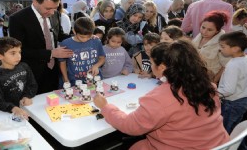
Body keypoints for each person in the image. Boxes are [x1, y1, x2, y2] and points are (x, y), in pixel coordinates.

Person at [94, 40, 229, 149]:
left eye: (152, 63)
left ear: (163, 68)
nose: (151, 66)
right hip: (219, 144)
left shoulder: (162, 98)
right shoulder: (208, 86)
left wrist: (105, 106)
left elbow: (130, 126)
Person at [9, 0, 73, 94]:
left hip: (54, 70)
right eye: (48, 8)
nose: (52, 12)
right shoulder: (17, 19)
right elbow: (19, 51)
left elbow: (60, 35)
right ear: (35, 2)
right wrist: (51, 53)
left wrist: (81, 36)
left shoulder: (56, 14)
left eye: (55, 8)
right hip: (32, 72)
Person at [218, 31, 247, 134]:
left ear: (235, 48)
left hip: (232, 103)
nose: (220, 49)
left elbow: (228, 90)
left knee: (227, 132)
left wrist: (213, 93)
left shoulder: (233, 64)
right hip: (243, 101)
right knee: (234, 130)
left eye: (223, 46)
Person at [0, 37, 38, 120]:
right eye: (13, 53)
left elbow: (32, 85)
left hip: (28, 107)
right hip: (9, 114)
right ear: (0, 56)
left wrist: (27, 96)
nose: (18, 56)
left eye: (19, 52)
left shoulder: (24, 66)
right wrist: (13, 108)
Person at [59, 17, 105, 85]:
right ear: (74, 31)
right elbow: (62, 63)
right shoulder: (66, 44)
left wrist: (96, 66)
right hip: (75, 81)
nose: (85, 39)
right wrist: (66, 79)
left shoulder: (96, 41)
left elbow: (102, 58)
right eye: (82, 37)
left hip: (95, 79)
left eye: (88, 37)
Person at [192, 11, 231, 84]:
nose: (204, 32)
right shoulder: (198, 37)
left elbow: (226, 65)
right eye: (203, 27)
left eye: (210, 30)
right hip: (193, 78)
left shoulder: (222, 43)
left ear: (217, 31)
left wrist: (214, 81)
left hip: (208, 81)